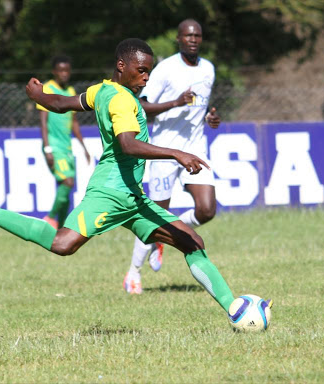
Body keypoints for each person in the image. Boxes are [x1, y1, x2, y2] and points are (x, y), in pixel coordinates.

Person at [0, 38, 271, 318]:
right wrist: (176, 153)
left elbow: (64, 102)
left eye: (149, 71)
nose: (146, 77)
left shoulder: (102, 91)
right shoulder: (122, 100)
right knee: (62, 244)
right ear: (122, 66)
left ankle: (235, 309)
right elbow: (127, 144)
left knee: (192, 242)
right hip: (110, 192)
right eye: (141, 70)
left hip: (133, 197)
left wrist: (39, 97)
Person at [124, 19, 221, 294]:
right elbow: (142, 107)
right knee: (156, 214)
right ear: (178, 39)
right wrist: (175, 102)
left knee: (207, 210)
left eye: (198, 35)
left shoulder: (209, 69)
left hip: (196, 147)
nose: (193, 39)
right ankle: (133, 273)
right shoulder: (166, 69)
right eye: (188, 35)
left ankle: (165, 238)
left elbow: (199, 108)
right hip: (165, 150)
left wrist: (211, 118)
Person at [37, 55, 90, 229]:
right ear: (54, 72)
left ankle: (60, 227)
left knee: (66, 187)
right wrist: (47, 148)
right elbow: (43, 122)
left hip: (67, 146)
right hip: (53, 145)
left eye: (67, 70)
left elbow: (74, 121)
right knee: (68, 182)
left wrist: (83, 146)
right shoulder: (47, 89)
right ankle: (51, 218)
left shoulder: (71, 91)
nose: (64, 74)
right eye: (60, 70)